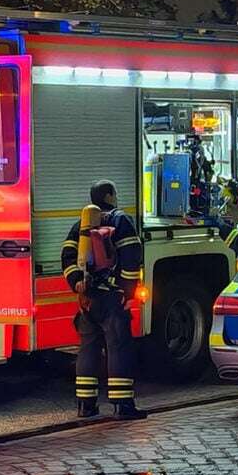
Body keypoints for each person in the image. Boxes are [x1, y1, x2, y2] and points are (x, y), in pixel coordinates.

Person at [61, 180, 146, 420]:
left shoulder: (82, 225)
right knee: (118, 347)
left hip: (88, 298)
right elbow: (131, 257)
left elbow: (67, 255)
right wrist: (127, 293)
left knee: (88, 349)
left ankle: (85, 406)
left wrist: (78, 283)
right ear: (109, 196)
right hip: (112, 296)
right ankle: (122, 405)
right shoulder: (121, 220)